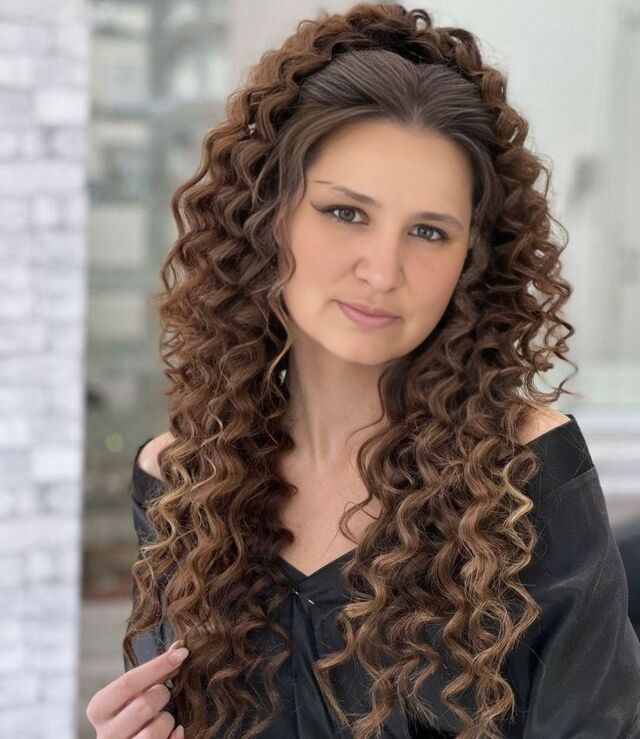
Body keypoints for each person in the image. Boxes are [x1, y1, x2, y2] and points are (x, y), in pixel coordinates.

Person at [86, 3, 640, 738]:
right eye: (346, 213)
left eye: (429, 231)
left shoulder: (526, 473)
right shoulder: (182, 480)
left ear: (471, 261)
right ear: (269, 214)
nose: (382, 270)